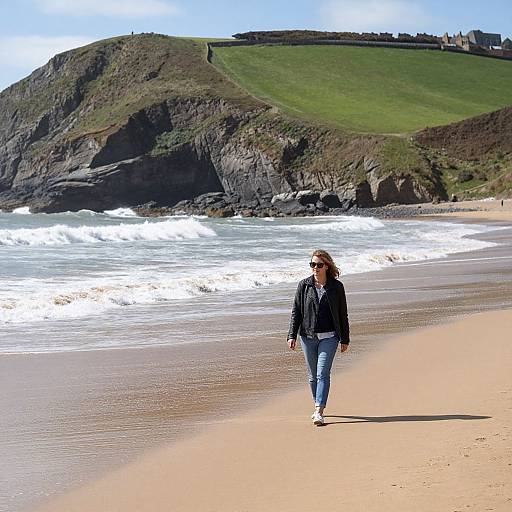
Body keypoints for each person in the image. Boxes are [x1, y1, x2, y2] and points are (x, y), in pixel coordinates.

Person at [287, 249, 350, 426]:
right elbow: (296, 312)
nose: (315, 267)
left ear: (327, 266)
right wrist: (291, 335)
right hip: (307, 336)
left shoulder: (337, 287)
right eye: (312, 264)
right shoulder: (304, 285)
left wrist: (345, 339)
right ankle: (318, 403)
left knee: (323, 373)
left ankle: (318, 410)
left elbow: (343, 314)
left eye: (319, 265)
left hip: (329, 337)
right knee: (312, 376)